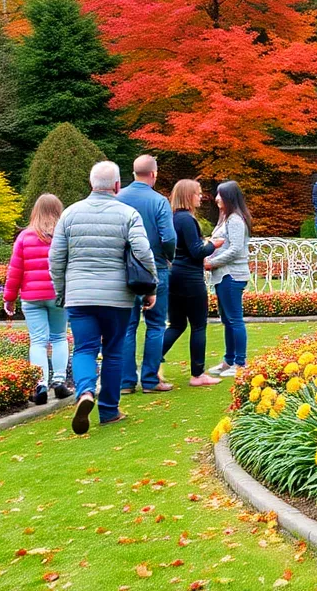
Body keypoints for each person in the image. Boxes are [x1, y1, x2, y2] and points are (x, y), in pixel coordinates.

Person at [49, 161, 157, 434]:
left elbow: (56, 258)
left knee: (84, 348)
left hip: (79, 296)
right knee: (113, 351)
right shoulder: (128, 214)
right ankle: (109, 410)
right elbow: (144, 252)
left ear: (91, 184)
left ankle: (85, 392)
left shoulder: (69, 214)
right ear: (117, 185)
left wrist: (62, 291)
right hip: (117, 298)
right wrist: (150, 287)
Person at [117, 155, 177, 395]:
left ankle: (126, 382)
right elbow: (169, 237)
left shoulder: (118, 198)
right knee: (156, 325)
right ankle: (151, 380)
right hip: (156, 267)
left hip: (124, 270)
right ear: (154, 174)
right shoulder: (159, 201)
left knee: (127, 326)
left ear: (133, 173)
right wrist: (168, 256)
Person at [4, 193, 69, 404]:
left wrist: (9, 298)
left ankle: (40, 385)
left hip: (32, 297)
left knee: (38, 341)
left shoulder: (24, 237)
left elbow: (15, 271)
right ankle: (59, 381)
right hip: (58, 295)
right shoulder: (64, 235)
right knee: (59, 337)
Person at [162, 180, 222, 386]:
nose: (201, 197)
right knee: (198, 325)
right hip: (190, 278)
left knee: (177, 324)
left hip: (175, 275)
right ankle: (198, 374)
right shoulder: (187, 219)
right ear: (188, 196)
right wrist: (213, 245)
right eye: (198, 193)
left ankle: (151, 362)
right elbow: (196, 251)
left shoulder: (172, 218)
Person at [207, 181, 251, 378]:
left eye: (220, 195)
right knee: (227, 319)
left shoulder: (235, 220)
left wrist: (212, 262)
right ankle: (229, 360)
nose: (217, 198)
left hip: (231, 275)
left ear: (230, 198)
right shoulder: (226, 219)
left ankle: (240, 362)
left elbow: (235, 249)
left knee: (234, 319)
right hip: (223, 275)